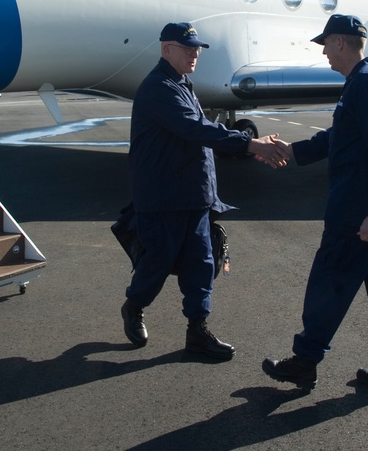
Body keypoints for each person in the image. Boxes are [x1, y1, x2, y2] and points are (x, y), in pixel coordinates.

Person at [262, 14, 368, 390]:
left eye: (326, 44)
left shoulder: (366, 85)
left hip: (359, 211)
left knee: (329, 279)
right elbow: (340, 137)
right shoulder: (362, 82)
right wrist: (292, 151)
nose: (324, 52)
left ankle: (305, 359)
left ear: (341, 43)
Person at [122, 22, 286, 360]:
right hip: (163, 196)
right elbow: (195, 128)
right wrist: (251, 143)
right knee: (156, 264)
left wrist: (246, 147)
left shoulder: (181, 83)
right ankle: (134, 306)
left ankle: (197, 331)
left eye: (197, 47)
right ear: (167, 49)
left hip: (195, 194)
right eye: (187, 47)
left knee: (202, 262)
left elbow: (203, 131)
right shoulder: (159, 87)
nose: (195, 52)